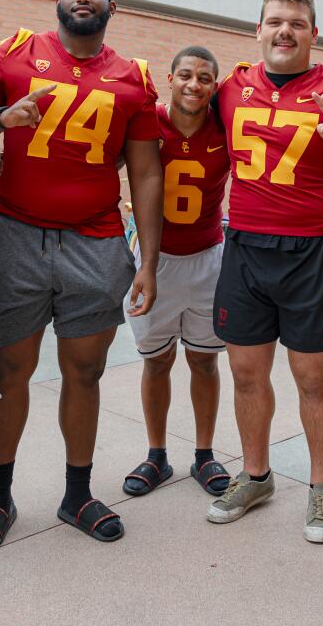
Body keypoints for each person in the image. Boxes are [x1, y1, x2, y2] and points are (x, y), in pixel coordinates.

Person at [0, 0, 162, 547]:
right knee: (8, 370)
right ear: (57, 0)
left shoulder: (133, 76)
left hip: (95, 242)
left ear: (110, 7)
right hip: (18, 235)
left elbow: (146, 174)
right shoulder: (15, 53)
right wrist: (1, 119)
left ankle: (77, 494)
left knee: (86, 371)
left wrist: (148, 261)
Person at [206, 0, 323, 543]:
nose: (284, 31)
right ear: (257, 30)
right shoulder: (231, 87)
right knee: (245, 372)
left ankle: (321, 488)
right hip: (244, 247)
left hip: (312, 251)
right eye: (275, 21)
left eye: (297, 23)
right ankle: (256, 475)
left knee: (313, 377)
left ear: (314, 33)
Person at [120, 45, 232, 498]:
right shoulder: (147, 123)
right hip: (153, 259)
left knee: (204, 359)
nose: (194, 84)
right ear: (169, 78)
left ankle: (204, 454)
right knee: (157, 360)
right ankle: (156, 454)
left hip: (208, 255)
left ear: (214, 86)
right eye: (185, 75)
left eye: (205, 78)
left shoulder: (227, 126)